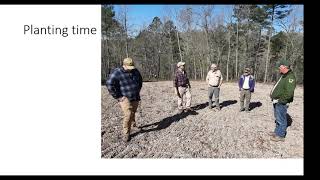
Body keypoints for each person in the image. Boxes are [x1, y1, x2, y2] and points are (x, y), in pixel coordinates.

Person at [106, 57, 143, 142]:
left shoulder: (135, 71)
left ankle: (133, 124)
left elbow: (140, 80)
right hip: (124, 97)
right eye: (129, 68)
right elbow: (109, 84)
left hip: (135, 96)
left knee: (133, 111)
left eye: (132, 67)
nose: (131, 70)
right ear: (124, 65)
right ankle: (126, 133)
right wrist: (118, 96)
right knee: (128, 114)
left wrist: (138, 89)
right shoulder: (116, 72)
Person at [269, 60, 296, 142]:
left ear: (285, 67)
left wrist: (281, 101)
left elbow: (289, 92)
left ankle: (280, 135)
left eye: (280, 67)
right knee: (278, 118)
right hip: (277, 101)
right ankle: (277, 132)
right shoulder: (283, 75)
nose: (279, 68)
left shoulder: (290, 77)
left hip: (281, 102)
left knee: (281, 119)